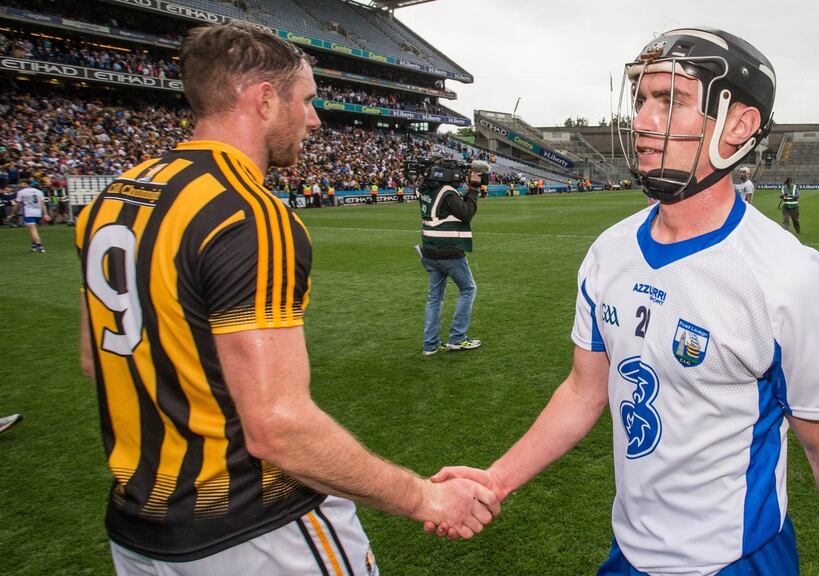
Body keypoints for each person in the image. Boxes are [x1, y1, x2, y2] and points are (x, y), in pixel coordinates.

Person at [428, 27, 819, 575]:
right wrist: (497, 478)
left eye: (671, 101)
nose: (644, 121)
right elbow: (584, 390)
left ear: (738, 126)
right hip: (627, 555)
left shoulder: (789, 278)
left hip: (736, 561)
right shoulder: (609, 253)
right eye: (642, 100)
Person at [76, 22, 497, 575]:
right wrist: (426, 497)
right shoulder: (248, 212)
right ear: (265, 101)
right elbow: (278, 426)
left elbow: (94, 361)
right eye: (307, 101)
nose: (316, 119)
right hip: (253, 529)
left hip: (139, 533)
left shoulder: (116, 196)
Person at [417, 160, 482, 355]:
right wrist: (473, 190)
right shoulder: (447, 191)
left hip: (429, 250)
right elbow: (466, 213)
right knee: (468, 289)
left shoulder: (426, 189)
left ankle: (430, 344)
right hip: (448, 251)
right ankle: (458, 338)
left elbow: (450, 208)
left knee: (434, 297)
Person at [13, 178, 50, 253]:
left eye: (20, 183)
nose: (19, 185)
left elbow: (17, 204)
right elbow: (43, 204)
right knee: (34, 229)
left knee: (32, 229)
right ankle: (34, 244)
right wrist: (45, 214)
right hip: (38, 213)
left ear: (25, 184)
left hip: (29, 212)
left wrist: (13, 213)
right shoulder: (39, 192)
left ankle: (40, 246)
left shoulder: (21, 192)